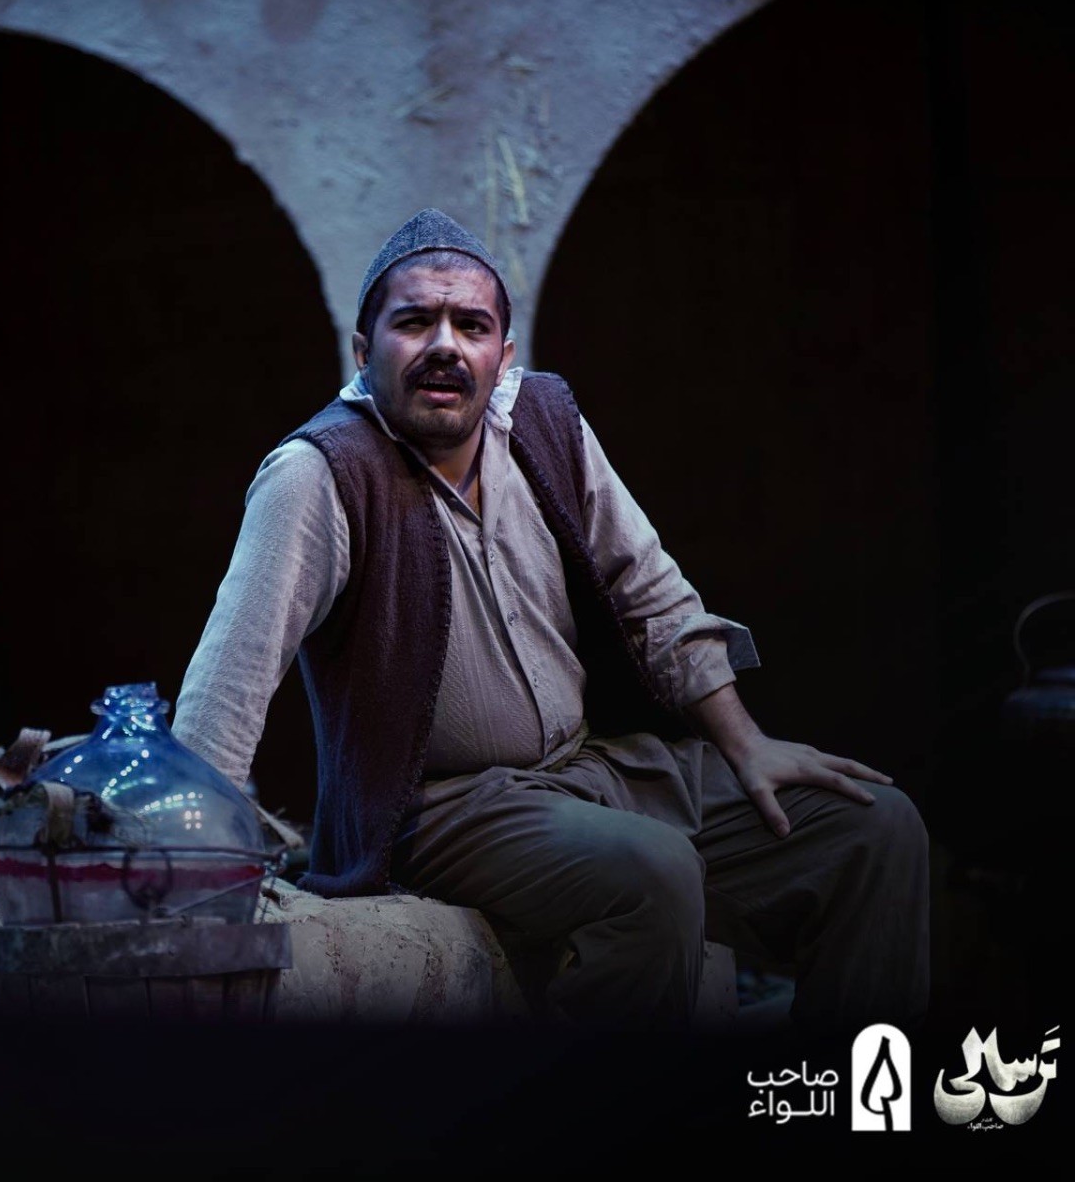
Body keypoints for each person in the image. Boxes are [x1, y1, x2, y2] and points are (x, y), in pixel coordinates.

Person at [172, 208, 929, 1034]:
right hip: (443, 810)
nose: (444, 346)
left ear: (502, 357)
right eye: (414, 322)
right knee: (654, 873)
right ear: (364, 351)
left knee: (874, 831)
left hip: (597, 768)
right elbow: (231, 681)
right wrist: (186, 860)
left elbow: (650, 590)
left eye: (471, 326)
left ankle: (852, 1096)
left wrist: (748, 746)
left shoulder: (542, 419)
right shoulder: (320, 473)